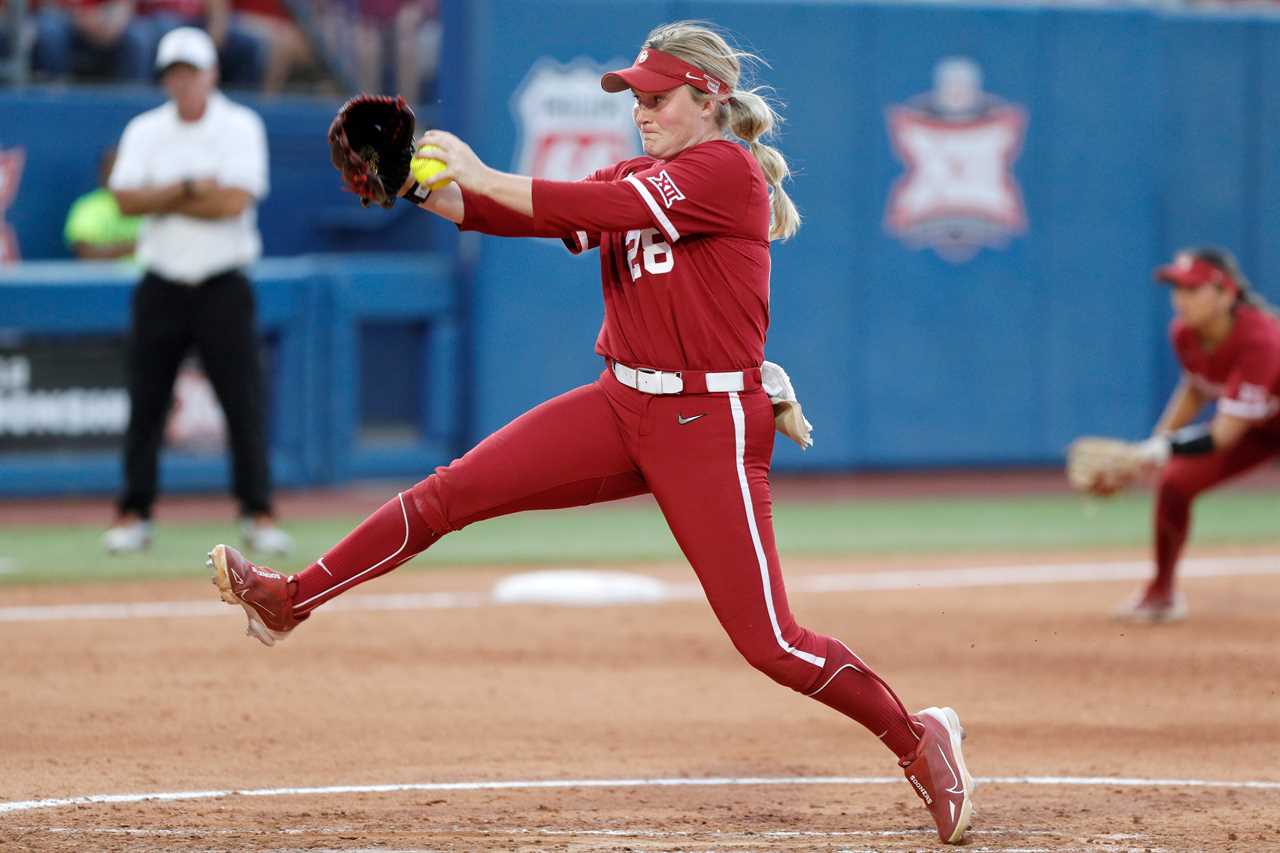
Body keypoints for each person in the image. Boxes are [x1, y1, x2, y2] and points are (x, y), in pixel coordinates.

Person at [208, 20, 974, 845]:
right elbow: (528, 219)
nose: (641, 108)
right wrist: (419, 188)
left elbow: (592, 203)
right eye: (635, 96)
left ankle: (919, 736)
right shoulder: (645, 170)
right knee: (448, 492)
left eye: (657, 95)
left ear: (706, 98)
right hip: (621, 405)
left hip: (707, 425)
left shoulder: (725, 170)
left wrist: (480, 167)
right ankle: (291, 601)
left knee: (772, 641)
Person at [105, 26, 291, 556]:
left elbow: (234, 202)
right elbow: (124, 201)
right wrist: (190, 188)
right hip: (161, 280)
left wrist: (159, 196)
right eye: (174, 74)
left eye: (192, 72)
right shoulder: (145, 129)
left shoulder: (239, 125)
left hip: (222, 283)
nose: (183, 83)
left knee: (243, 403)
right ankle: (133, 512)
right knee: (146, 403)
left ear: (211, 73)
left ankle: (258, 512)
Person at [1113, 247, 1280, 623]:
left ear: (1226, 293)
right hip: (1260, 426)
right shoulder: (1184, 332)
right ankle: (1161, 594)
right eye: (1176, 288)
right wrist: (1153, 445)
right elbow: (1196, 388)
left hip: (1246, 424)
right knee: (1175, 483)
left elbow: (1221, 435)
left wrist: (1160, 448)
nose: (1180, 299)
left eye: (1192, 289)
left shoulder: (1262, 340)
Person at [64, 146, 141, 260]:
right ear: (102, 172)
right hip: (104, 277)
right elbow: (87, 253)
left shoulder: (151, 205)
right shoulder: (88, 207)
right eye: (113, 169)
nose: (118, 175)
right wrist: (137, 247)